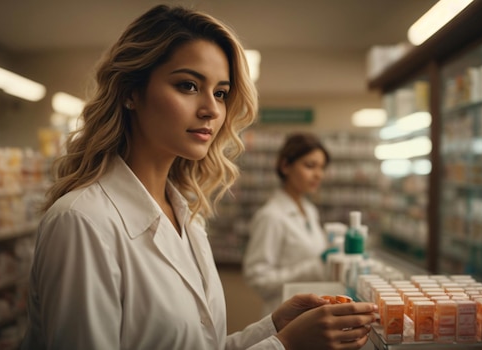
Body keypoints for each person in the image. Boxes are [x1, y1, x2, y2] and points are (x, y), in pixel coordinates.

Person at [20, 4, 376, 350]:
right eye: (188, 86)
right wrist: (284, 346)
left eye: (220, 93)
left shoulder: (187, 216)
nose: (211, 109)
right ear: (131, 91)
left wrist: (273, 327)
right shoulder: (83, 222)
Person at [243, 133, 333, 317]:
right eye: (310, 166)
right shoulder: (271, 216)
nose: (318, 174)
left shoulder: (309, 210)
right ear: (285, 166)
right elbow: (258, 279)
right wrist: (316, 267)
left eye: (322, 167)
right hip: (284, 317)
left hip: (310, 314)